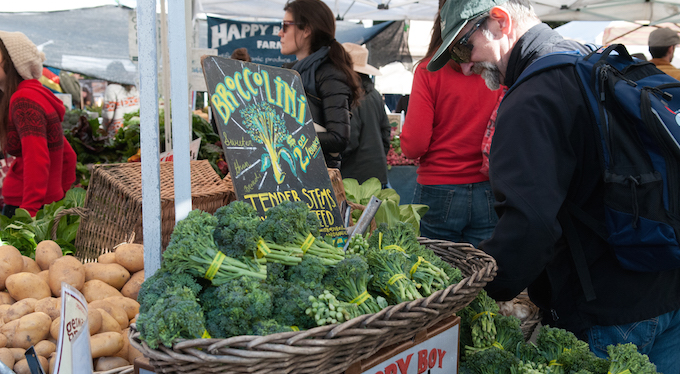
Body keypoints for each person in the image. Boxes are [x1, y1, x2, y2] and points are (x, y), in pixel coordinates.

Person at [431, 0, 680, 369]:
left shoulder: (533, 98)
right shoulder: (588, 61)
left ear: (499, 21)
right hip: (666, 284)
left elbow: (529, 227)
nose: (466, 65)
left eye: (463, 46)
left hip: (606, 311)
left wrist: (476, 291)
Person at [399, 7, 503, 247]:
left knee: (436, 275)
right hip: (488, 187)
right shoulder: (497, 70)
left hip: (438, 187)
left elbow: (414, 145)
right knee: (482, 273)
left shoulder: (428, 71)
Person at [0, 31, 76, 218]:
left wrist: (29, 212)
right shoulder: (35, 95)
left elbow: (36, 159)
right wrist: (59, 197)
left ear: (11, 62)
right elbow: (68, 155)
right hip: (43, 206)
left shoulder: (23, 100)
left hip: (24, 207)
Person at [278, 0, 362, 169]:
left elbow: (339, 138)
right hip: (292, 172)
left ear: (307, 30)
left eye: (286, 26)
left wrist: (285, 139)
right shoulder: (290, 73)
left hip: (317, 181)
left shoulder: (330, 74)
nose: (280, 33)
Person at [339, 42, 390, 187]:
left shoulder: (350, 95)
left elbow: (350, 139)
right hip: (376, 175)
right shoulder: (375, 94)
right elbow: (386, 132)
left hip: (353, 179)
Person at [100, 61, 140, 139]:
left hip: (117, 134)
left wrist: (102, 128)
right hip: (133, 130)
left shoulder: (112, 88)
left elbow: (108, 115)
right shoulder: (133, 87)